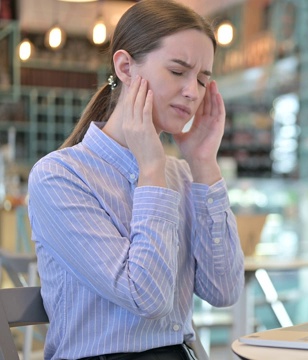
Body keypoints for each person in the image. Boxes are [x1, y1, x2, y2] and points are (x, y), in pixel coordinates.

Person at [26, 1, 245, 359]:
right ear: (126, 66)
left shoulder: (182, 174)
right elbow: (147, 297)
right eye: (178, 72)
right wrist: (152, 169)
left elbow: (224, 291)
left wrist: (204, 163)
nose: (193, 91)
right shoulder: (59, 176)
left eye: (203, 79)